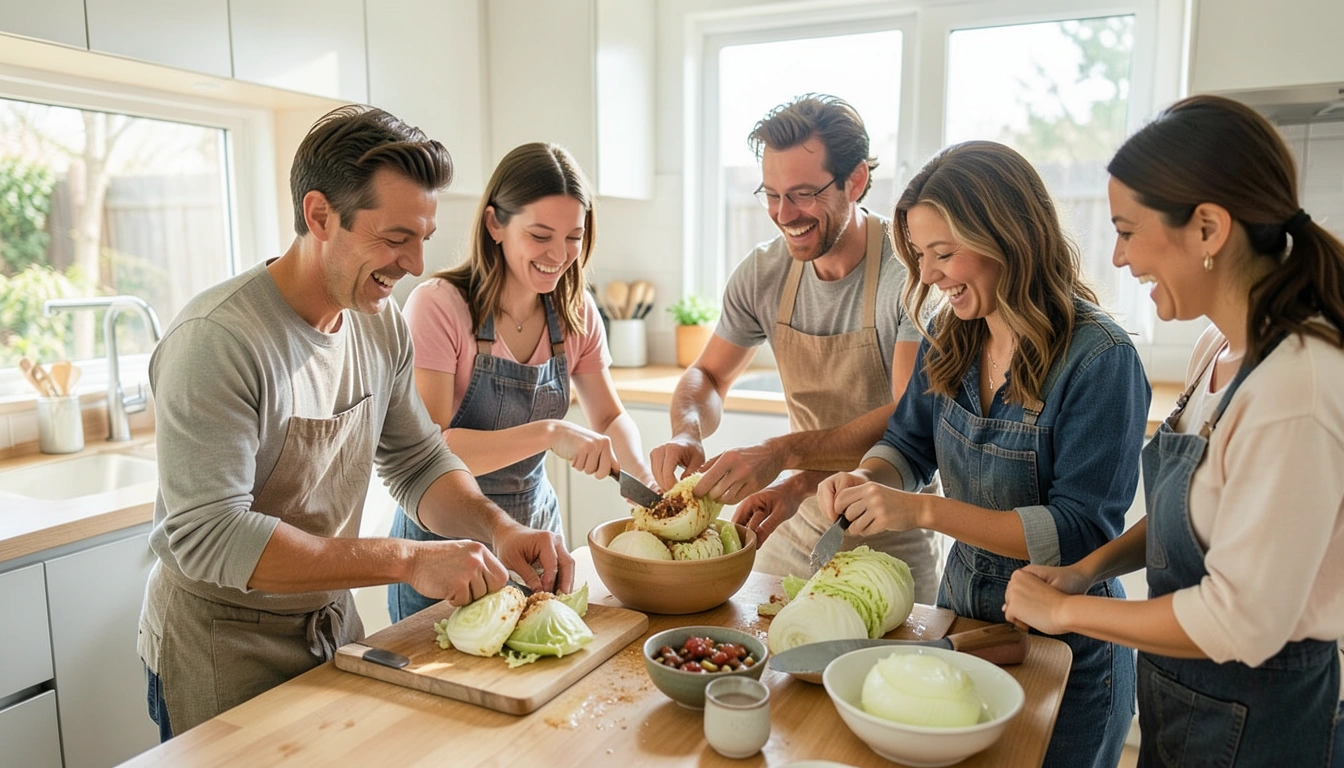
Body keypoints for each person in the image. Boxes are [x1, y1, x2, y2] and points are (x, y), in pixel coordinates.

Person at [139, 106, 573, 739]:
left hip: (330, 627)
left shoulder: (379, 321)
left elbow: (417, 460)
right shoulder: (219, 341)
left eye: (423, 236)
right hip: (221, 648)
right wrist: (407, 560)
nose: (417, 263)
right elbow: (213, 536)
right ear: (319, 216)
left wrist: (499, 530)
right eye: (397, 238)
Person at [1004, 95, 1344, 766]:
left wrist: (1069, 615)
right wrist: (1083, 573)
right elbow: (1187, 517)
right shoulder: (1216, 352)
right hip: (1188, 701)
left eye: (1128, 231)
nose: (1120, 258)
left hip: (1262, 724)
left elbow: (1239, 621)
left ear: (1209, 228)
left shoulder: (1296, 388)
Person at [818, 141, 1150, 768]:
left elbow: (1079, 531)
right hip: (964, 618)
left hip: (1068, 647)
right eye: (920, 256)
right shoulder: (951, 333)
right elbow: (909, 445)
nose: (930, 275)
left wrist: (920, 513)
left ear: (1010, 237)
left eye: (944, 253)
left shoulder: (1102, 360)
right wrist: (866, 478)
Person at [648, 93, 940, 600]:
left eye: (803, 194)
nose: (784, 214)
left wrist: (779, 454)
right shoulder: (763, 273)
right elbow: (708, 377)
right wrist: (688, 428)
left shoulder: (909, 272)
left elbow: (904, 417)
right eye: (771, 194)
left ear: (855, 181)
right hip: (790, 530)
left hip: (891, 537)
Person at [386, 142, 654, 622]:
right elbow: (432, 449)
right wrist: (551, 434)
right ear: (495, 225)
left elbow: (610, 416)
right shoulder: (440, 307)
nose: (560, 254)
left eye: (574, 237)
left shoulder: (576, 314)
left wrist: (646, 484)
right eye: (540, 235)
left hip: (537, 545)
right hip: (448, 555)